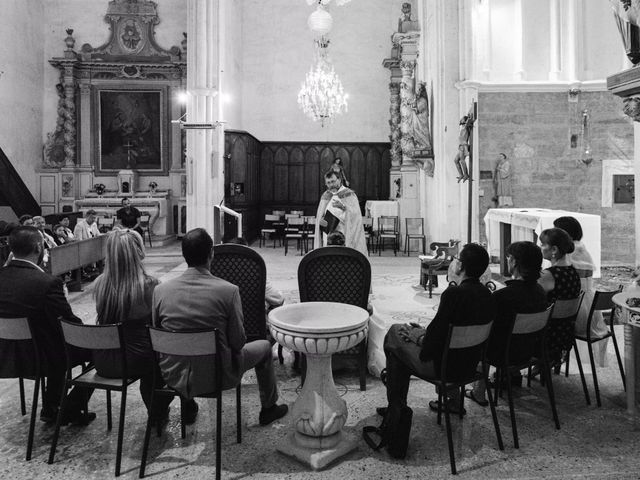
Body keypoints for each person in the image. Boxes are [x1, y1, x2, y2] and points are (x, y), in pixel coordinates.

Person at [152, 228, 288, 426]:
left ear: (184, 255)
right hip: (218, 375)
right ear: (211, 254)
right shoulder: (228, 291)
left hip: (175, 376)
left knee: (183, 346)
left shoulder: (160, 291)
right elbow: (238, 342)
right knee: (265, 348)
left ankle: (188, 405)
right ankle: (269, 408)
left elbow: (160, 339)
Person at [380, 243, 495, 420]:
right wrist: (423, 333)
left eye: (456, 259)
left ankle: (395, 410)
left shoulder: (453, 294)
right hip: (471, 365)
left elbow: (431, 345)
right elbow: (449, 332)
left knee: (395, 337)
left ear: (460, 266)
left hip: (444, 367)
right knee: (406, 340)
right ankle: (453, 401)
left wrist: (417, 337)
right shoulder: (488, 295)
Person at [0, 226, 95, 425]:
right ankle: (66, 407)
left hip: (7, 355)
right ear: (38, 247)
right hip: (40, 358)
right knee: (100, 352)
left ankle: (52, 405)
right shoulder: (47, 282)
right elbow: (69, 324)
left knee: (52, 339)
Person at [92, 230, 172, 425]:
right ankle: (162, 409)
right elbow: (159, 327)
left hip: (104, 360)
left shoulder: (100, 284)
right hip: (138, 361)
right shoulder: (151, 285)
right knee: (168, 353)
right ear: (139, 252)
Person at [468, 241, 547, 405]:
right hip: (531, 351)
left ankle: (479, 393)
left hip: (503, 355)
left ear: (514, 262)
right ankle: (512, 377)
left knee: (480, 337)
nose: (508, 260)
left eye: (509, 257)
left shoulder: (504, 296)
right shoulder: (540, 291)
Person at [553, 216, 610, 367]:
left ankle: (548, 360)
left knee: (546, 321)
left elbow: (563, 284)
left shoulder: (569, 253)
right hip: (592, 309)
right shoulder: (583, 249)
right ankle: (552, 360)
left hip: (577, 311)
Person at [538, 227, 581, 365]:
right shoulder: (573, 271)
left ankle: (509, 375)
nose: (540, 247)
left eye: (543, 244)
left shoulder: (548, 275)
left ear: (554, 250)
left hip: (547, 336)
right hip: (566, 333)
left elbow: (532, 298)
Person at [314, 170, 367, 257]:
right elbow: (320, 214)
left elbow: (356, 215)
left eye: (333, 181)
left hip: (344, 230)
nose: (331, 185)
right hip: (327, 231)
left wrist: (343, 207)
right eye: (328, 183)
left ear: (339, 180)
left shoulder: (349, 194)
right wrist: (321, 220)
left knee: (342, 254)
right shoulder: (326, 195)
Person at [453, 114, 473, 182]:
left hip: (464, 146)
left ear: (464, 120)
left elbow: (469, 121)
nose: (460, 119)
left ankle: (466, 174)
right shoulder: (463, 127)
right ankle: (461, 174)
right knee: (456, 160)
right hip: (460, 146)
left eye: (462, 119)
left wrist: (468, 117)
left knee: (462, 160)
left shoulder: (466, 127)